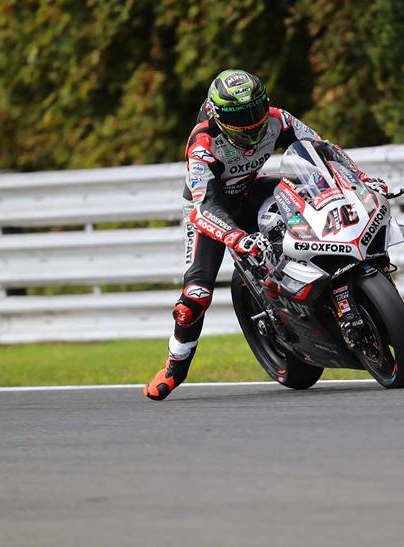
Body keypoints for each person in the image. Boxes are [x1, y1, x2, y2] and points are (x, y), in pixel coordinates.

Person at [144, 69, 388, 401]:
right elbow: (204, 208)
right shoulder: (203, 145)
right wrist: (235, 237)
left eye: (255, 110)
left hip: (253, 191)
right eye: (238, 116)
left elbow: (322, 150)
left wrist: (361, 179)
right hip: (212, 212)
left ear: (266, 103)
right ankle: (176, 367)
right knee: (195, 298)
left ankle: (326, 284)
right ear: (218, 116)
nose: (250, 122)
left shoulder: (278, 119)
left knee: (307, 200)